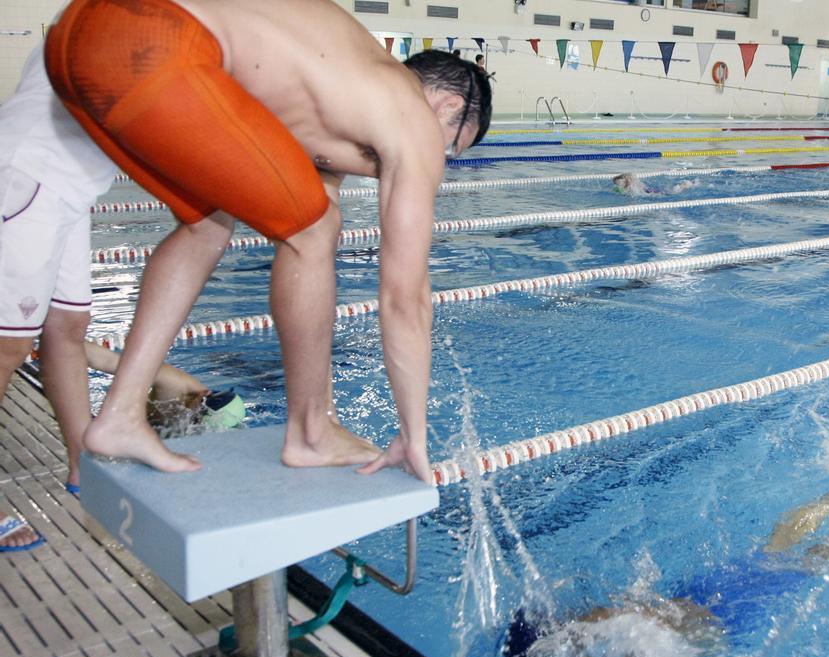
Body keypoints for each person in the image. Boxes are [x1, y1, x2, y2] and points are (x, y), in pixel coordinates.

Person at [45, 0, 493, 480]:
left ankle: (120, 415)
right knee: (313, 231)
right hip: (154, 38)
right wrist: (413, 434)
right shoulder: (411, 116)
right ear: (446, 106)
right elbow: (405, 296)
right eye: (450, 146)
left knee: (208, 226)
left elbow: (310, 215)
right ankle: (309, 434)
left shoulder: (346, 82)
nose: (440, 160)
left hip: (77, 39)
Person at [501, 485, 829, 657]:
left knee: (797, 561)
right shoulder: (596, 631)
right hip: (715, 613)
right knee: (778, 552)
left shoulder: (599, 634)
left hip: (716, 614)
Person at [0, 41, 119, 552]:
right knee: (6, 347)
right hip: (30, 178)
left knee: (68, 327)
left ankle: (82, 465)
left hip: (70, 188)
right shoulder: (117, 21)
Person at [82, 341, 246, 435]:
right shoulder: (171, 381)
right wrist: (65, 342)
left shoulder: (198, 429)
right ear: (203, 395)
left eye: (197, 422)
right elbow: (107, 360)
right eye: (196, 416)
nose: (192, 421)